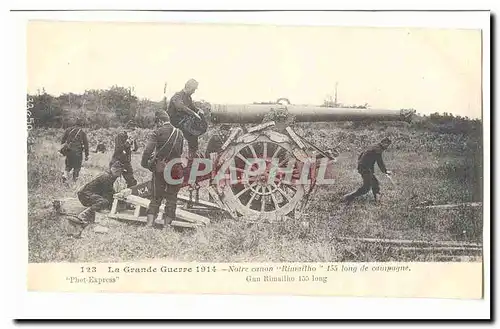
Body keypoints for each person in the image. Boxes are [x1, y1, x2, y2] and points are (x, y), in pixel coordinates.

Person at [141, 110, 185, 229]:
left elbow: (147, 151)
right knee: (172, 197)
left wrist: (145, 163)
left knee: (156, 196)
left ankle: (150, 224)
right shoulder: (179, 133)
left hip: (160, 168)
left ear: (160, 121)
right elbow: (180, 151)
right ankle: (167, 226)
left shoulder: (157, 132)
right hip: (176, 168)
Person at [343, 137, 393, 204]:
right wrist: (385, 171)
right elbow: (380, 162)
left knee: (375, 183)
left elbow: (361, 154)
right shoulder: (378, 149)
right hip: (365, 168)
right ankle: (348, 197)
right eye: (387, 145)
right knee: (366, 188)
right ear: (383, 143)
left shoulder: (374, 146)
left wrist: (360, 164)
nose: (387, 147)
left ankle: (377, 201)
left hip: (364, 167)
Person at [167, 79, 207, 159]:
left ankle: (192, 156)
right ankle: (191, 156)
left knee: (193, 136)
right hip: (174, 123)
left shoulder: (188, 97)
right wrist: (194, 114)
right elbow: (181, 107)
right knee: (192, 134)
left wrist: (199, 110)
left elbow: (193, 107)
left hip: (184, 123)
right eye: (193, 89)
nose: (194, 91)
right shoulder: (177, 96)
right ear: (188, 87)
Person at [110, 120, 138, 188]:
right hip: (117, 161)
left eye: (134, 130)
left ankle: (130, 196)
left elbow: (135, 149)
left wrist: (133, 141)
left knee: (131, 182)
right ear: (128, 129)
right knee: (110, 180)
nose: (133, 132)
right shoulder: (120, 136)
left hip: (126, 162)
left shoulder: (131, 137)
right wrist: (127, 143)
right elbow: (118, 149)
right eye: (132, 130)